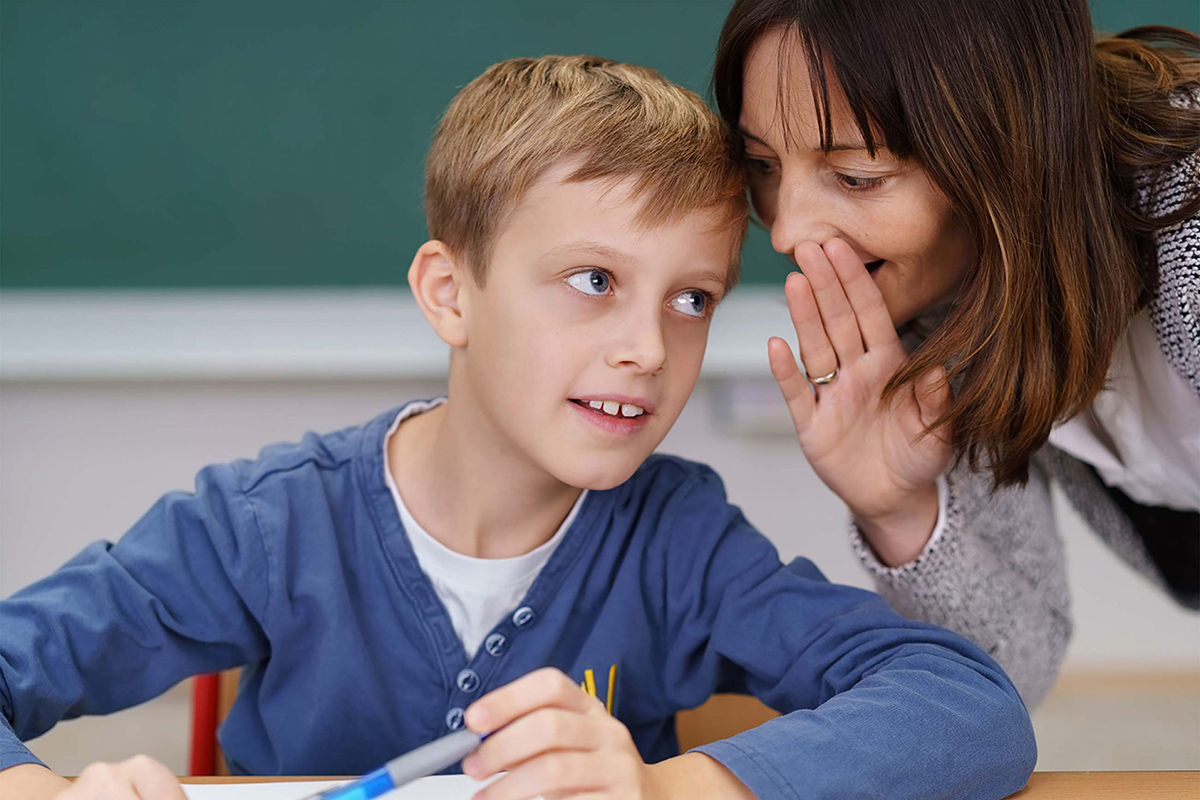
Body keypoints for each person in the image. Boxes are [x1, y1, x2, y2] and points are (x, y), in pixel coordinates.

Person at [0, 55, 1036, 800]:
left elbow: (968, 706)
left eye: (692, 299)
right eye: (594, 281)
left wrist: (665, 787)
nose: (648, 346)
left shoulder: (680, 542)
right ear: (451, 292)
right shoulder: (267, 525)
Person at [712, 0, 1200, 707]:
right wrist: (903, 512)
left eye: (855, 176)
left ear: (1007, 147)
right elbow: (1010, 674)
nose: (786, 230)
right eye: (762, 164)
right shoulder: (932, 301)